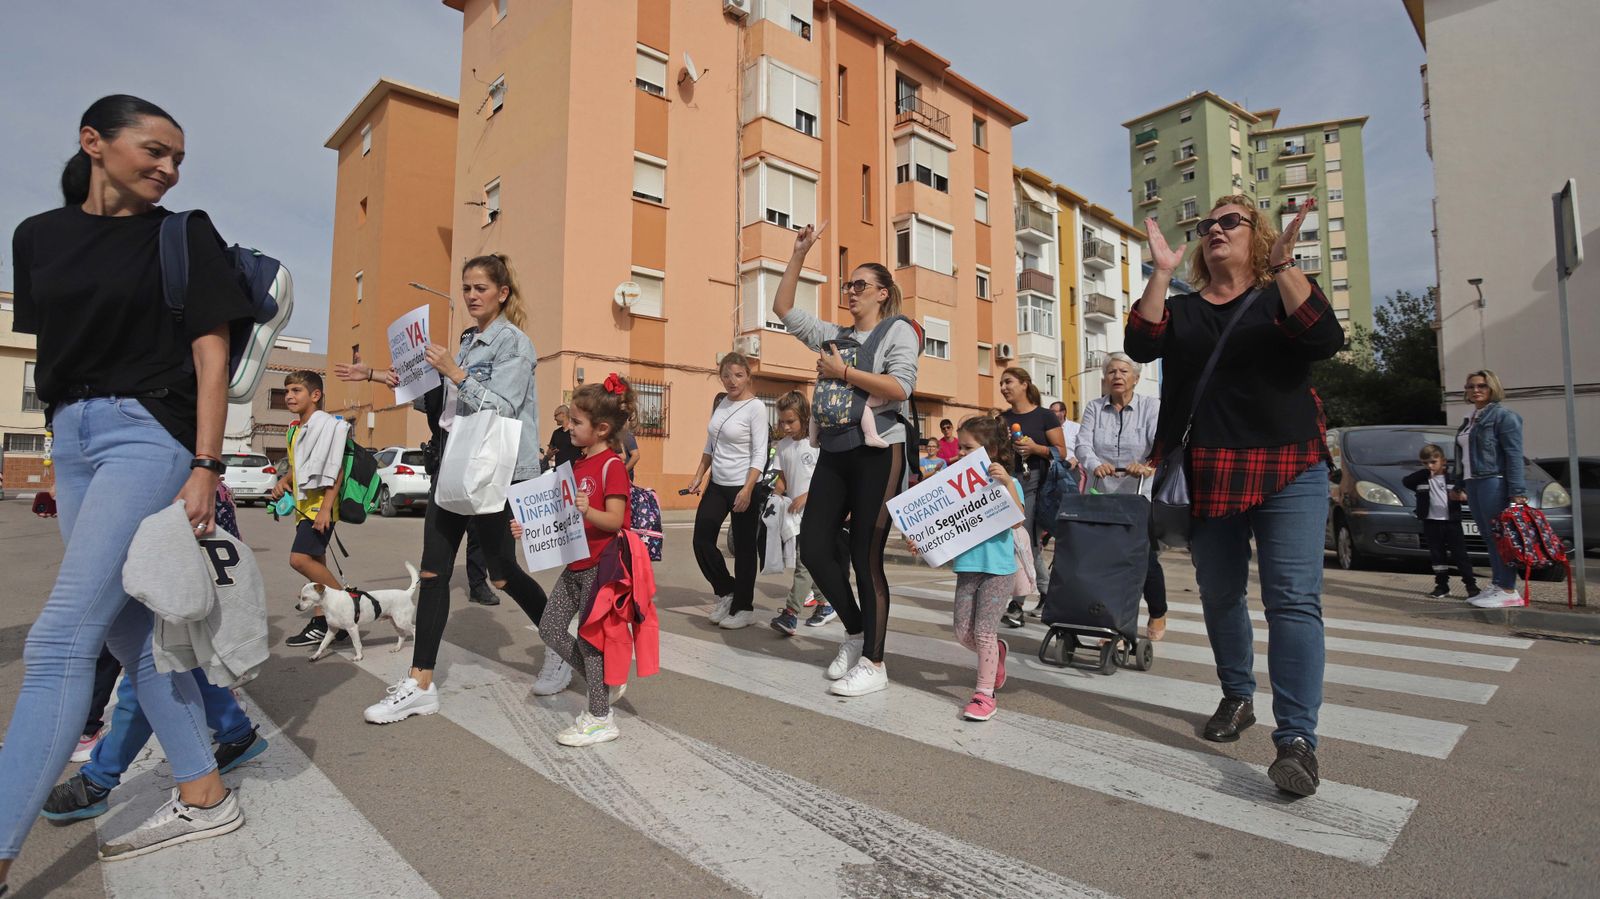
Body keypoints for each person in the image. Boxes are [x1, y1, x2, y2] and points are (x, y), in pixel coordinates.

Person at [2, 95, 254, 880]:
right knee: (128, 633)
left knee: (57, 642)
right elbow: (59, 342)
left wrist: (206, 465)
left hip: (149, 434)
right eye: (153, 150)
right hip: (71, 437)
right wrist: (59, 448)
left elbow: (212, 359)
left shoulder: (183, 234)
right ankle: (206, 793)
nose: (168, 169)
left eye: (177, 158)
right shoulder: (36, 237)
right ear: (94, 143)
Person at [1126, 194, 1343, 798]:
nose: (1215, 230)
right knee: (1221, 595)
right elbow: (1141, 344)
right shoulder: (1185, 311)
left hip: (1290, 462)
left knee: (1293, 601)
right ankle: (1238, 696)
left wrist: (1283, 266)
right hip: (1210, 467)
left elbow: (1325, 338)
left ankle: (1297, 740)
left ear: (1257, 233)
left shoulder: (1280, 293)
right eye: (1206, 224)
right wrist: (1162, 273)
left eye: (1229, 221)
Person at [359, 254, 552, 724]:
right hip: (451, 464)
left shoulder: (514, 344)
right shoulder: (464, 341)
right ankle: (420, 680)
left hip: (493, 471)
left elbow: (504, 407)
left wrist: (454, 371)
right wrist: (385, 377)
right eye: (466, 287)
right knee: (432, 573)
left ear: (502, 293)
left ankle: (562, 643)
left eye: (480, 288)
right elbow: (440, 404)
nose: (470, 296)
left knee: (503, 573)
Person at [43, 484, 269, 824]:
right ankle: (236, 730)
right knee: (171, 655)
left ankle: (99, 779)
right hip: (166, 508)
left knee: (153, 662)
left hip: (164, 509)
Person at [775, 221, 919, 697]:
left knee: (865, 555)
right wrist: (798, 253)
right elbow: (783, 308)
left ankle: (875, 664)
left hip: (880, 452)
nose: (850, 292)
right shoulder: (832, 333)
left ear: (882, 293)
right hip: (835, 450)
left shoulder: (899, 330)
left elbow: (901, 387)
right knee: (814, 546)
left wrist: (844, 371)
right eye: (847, 285)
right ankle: (856, 634)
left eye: (860, 285)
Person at [514, 376, 635, 746]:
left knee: (589, 638)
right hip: (575, 565)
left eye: (576, 422)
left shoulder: (611, 466)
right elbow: (559, 515)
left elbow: (615, 520)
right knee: (550, 628)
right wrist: (528, 526)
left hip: (600, 566)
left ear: (600, 428)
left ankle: (600, 717)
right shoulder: (577, 465)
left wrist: (589, 510)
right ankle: (602, 684)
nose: (568, 427)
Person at [1072, 352, 1166, 639]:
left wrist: (1147, 465)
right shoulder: (1094, 408)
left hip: (1139, 495)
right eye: (1111, 371)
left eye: (1123, 371)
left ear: (1136, 379)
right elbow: (1082, 443)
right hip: (1102, 494)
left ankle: (1158, 611)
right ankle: (1108, 618)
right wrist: (1094, 464)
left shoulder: (1152, 407)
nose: (1117, 376)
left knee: (1144, 557)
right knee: (1104, 559)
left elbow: (1160, 444)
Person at [939, 416, 1023, 722]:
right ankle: (997, 653)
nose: (960, 453)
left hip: (998, 569)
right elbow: (941, 522)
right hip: (967, 567)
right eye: (959, 447)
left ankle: (984, 694)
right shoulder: (954, 484)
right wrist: (921, 540)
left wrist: (1007, 485)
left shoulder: (1008, 482)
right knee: (964, 633)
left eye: (967, 447)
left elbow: (1017, 520)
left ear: (990, 450)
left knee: (984, 632)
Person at [687, 353, 769, 630]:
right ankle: (727, 590)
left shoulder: (756, 408)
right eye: (726, 375)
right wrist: (699, 475)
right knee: (701, 539)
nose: (731, 381)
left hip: (743, 485)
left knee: (745, 549)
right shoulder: (722, 403)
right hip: (717, 484)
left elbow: (760, 452)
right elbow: (711, 444)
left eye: (738, 375)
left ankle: (744, 607)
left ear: (748, 376)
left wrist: (748, 489)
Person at [271, 370, 350, 650]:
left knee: (299, 559)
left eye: (296, 391)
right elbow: (298, 466)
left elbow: (335, 468)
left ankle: (347, 606)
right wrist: (284, 481)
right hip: (303, 507)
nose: (289, 396)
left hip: (320, 508)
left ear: (315, 395)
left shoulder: (328, 425)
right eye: (286, 391)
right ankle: (323, 622)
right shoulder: (295, 429)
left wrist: (326, 508)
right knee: (317, 563)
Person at [998, 366, 1071, 628]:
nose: (1004, 388)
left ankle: (1017, 603)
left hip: (1036, 485)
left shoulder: (1045, 417)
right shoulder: (1002, 419)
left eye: (1009, 382)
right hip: (1008, 485)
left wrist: (1035, 448)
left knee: (1023, 540)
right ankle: (1047, 595)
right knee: (1026, 543)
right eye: (1001, 384)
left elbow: (1060, 452)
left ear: (1025, 384)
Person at [1456, 370, 1528, 609]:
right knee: (1488, 536)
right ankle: (1498, 584)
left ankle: (1508, 589)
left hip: (1493, 481)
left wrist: (1516, 490)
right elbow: (1464, 456)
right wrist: (1459, 483)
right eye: (1471, 386)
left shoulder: (1504, 417)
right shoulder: (1470, 418)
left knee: (1500, 536)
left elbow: (1514, 455)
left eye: (1481, 386)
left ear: (1492, 388)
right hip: (1473, 482)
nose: (1475, 390)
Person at [768, 392, 833, 634]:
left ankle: (791, 613)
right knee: (811, 561)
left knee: (804, 562)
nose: (785, 427)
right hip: (795, 516)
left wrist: (806, 497)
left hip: (818, 511)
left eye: (790, 421)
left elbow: (825, 478)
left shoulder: (816, 444)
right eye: (781, 421)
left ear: (804, 418)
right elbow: (783, 480)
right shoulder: (782, 446)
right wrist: (775, 497)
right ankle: (825, 603)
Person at [1403, 444, 1480, 600]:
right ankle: (1442, 586)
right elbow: (1406, 481)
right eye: (1425, 463)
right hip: (1431, 522)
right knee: (1437, 555)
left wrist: (1464, 497)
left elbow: (1466, 495)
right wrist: (1426, 472)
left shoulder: (1453, 479)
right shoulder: (1421, 479)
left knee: (1460, 555)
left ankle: (1471, 586)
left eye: (1433, 462)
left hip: (1451, 522)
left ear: (1443, 461)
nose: (1430, 466)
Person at [541, 404, 580, 470]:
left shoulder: (575, 431)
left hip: (574, 471)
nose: (554, 418)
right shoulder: (556, 433)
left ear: (563, 414)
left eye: (555, 415)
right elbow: (549, 452)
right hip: (559, 472)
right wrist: (550, 453)